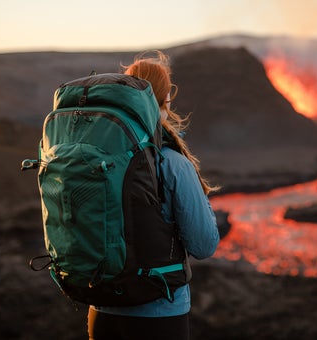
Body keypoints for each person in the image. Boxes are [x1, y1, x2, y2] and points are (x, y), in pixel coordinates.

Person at [87, 51, 220, 340]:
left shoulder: (99, 158)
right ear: (166, 100)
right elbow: (204, 244)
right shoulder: (172, 162)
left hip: (102, 310)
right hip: (159, 313)